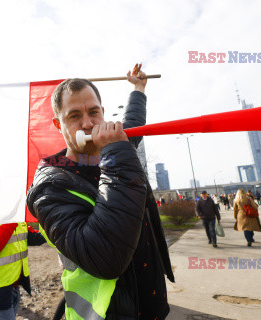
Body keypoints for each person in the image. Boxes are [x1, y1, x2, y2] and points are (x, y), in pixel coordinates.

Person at [26, 64, 174, 320]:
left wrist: (138, 88)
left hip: (152, 307)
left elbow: (134, 119)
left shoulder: (116, 151)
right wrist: (117, 156)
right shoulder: (49, 189)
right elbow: (105, 257)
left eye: (94, 112)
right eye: (74, 116)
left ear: (103, 114)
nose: (87, 123)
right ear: (57, 124)